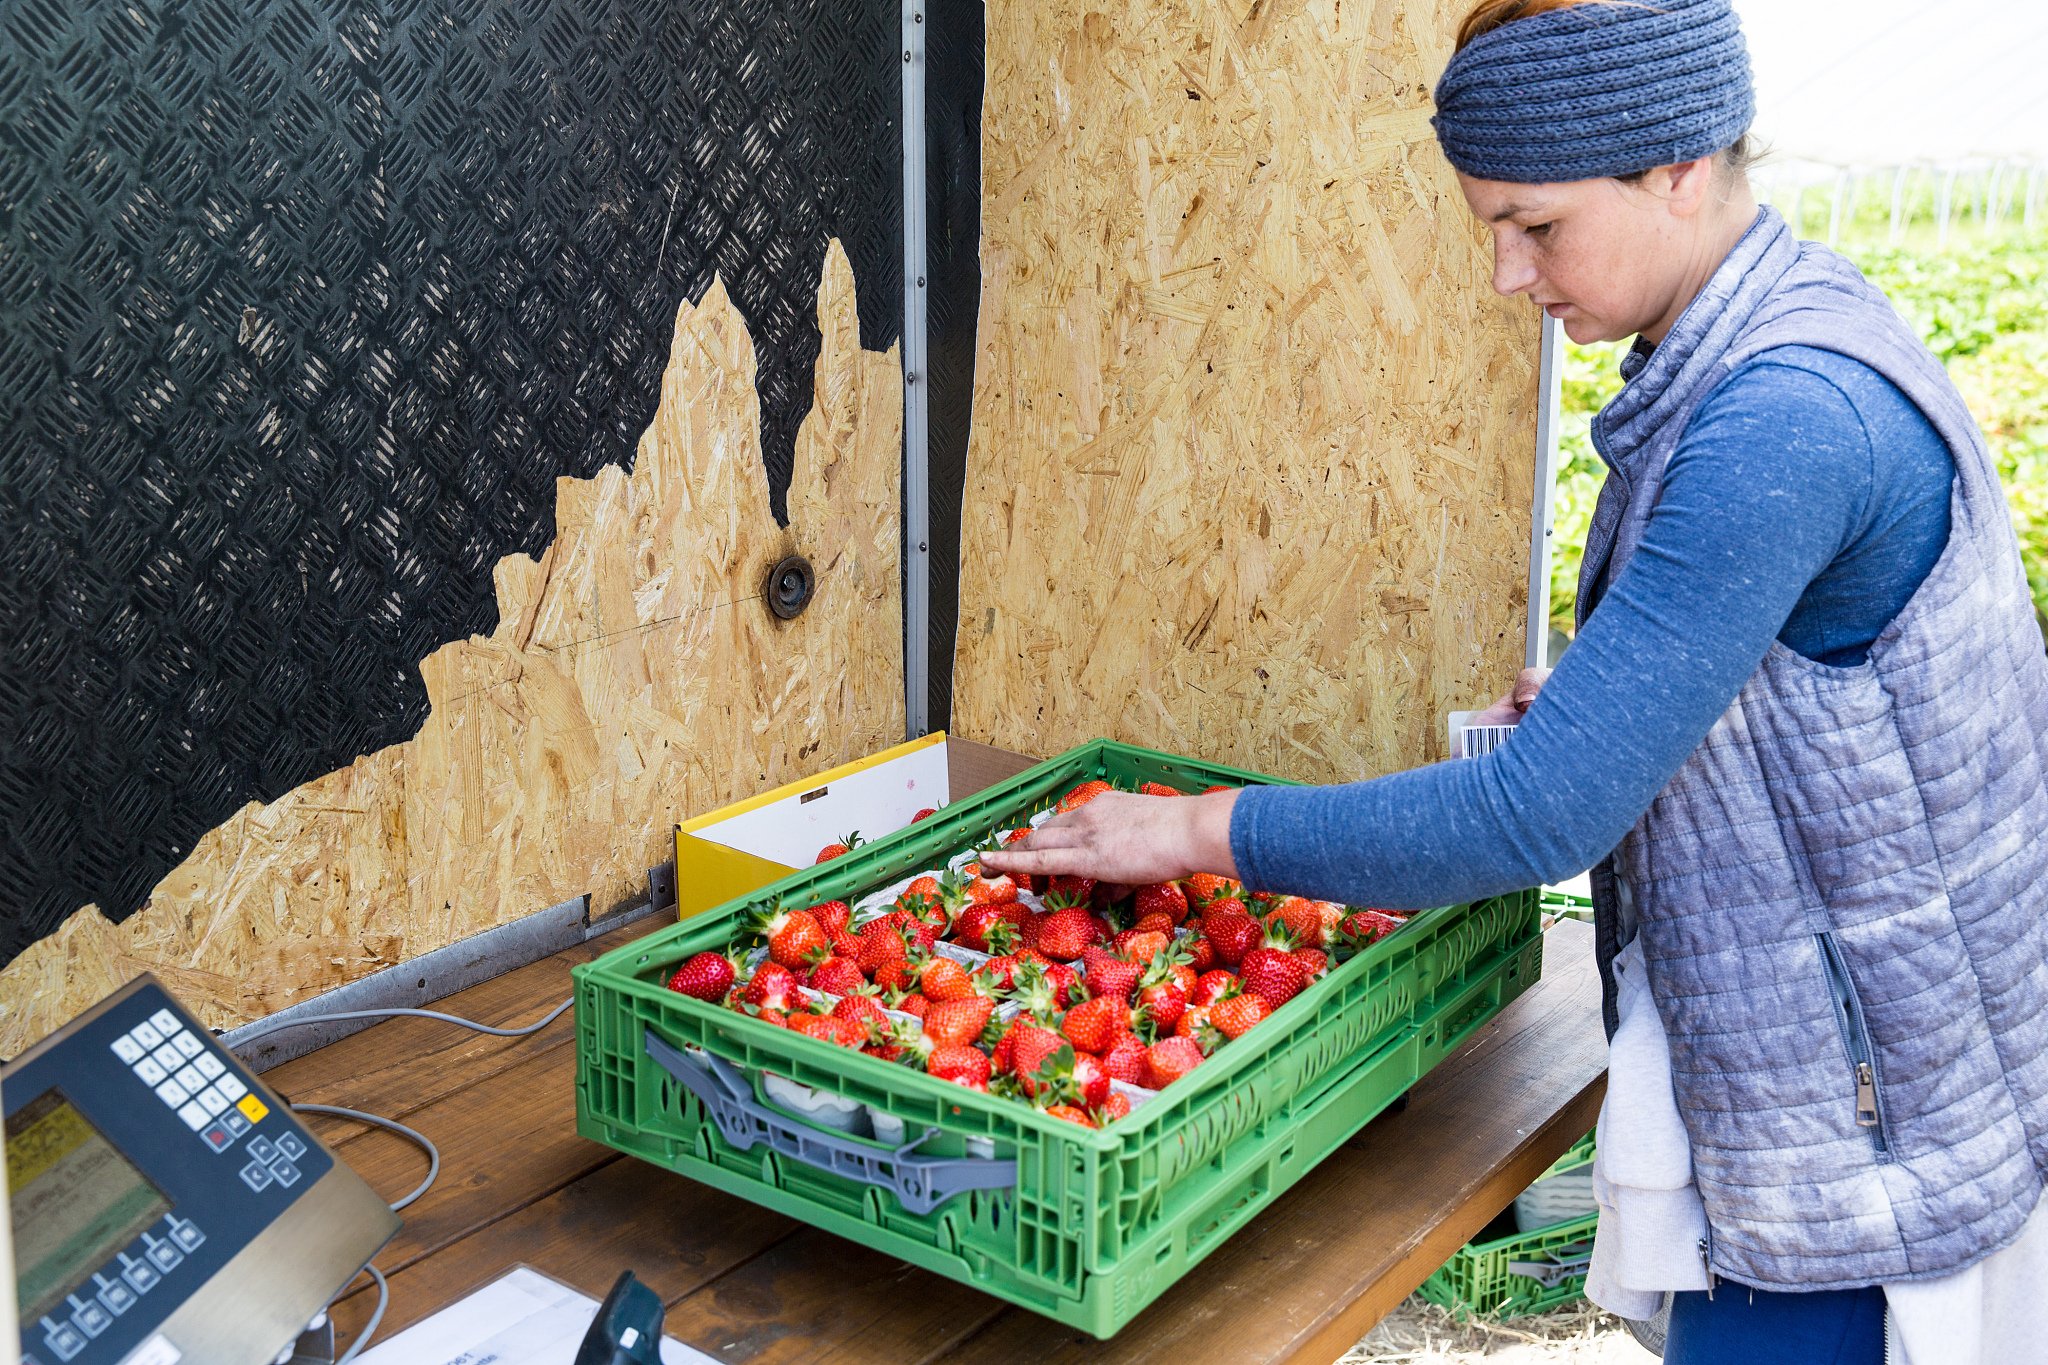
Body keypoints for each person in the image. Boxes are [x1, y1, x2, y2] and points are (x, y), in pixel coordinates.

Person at [983, 1, 2048, 1361]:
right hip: (1858, 1073)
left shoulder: (1783, 417)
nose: (1505, 273)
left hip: (1863, 1133)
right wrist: (1621, 702)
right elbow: (1807, 681)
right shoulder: (1779, 322)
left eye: (1535, 225)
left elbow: (1534, 816)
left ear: (1678, 168)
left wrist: (1192, 829)